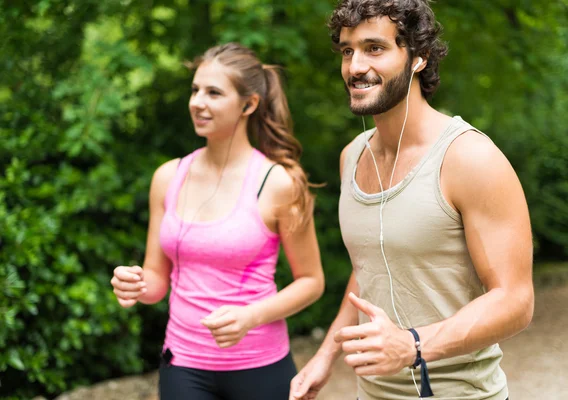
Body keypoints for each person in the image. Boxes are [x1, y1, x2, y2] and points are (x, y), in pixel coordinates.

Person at [290, 1, 534, 399]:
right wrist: (325, 354)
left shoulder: (469, 158)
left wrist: (413, 345)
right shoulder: (352, 156)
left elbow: (516, 300)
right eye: (347, 50)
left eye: (374, 48)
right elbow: (370, 270)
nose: (354, 67)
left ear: (418, 58)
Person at [110, 42, 325, 400]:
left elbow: (312, 281)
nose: (197, 102)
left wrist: (250, 317)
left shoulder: (277, 184)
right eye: (195, 90)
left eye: (213, 92)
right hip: (183, 365)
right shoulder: (168, 177)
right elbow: (156, 283)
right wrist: (133, 284)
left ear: (248, 104)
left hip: (260, 365)